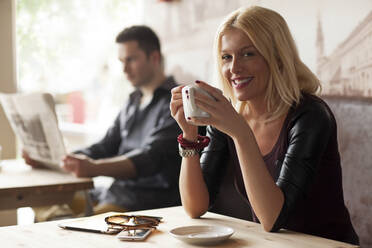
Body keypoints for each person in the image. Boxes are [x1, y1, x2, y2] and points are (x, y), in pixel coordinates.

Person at [170, 6, 359, 245]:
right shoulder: (229, 117)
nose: (234, 68)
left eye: (248, 54)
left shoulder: (311, 116)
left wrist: (240, 132)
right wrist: (189, 136)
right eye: (226, 57)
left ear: (278, 58)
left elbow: (272, 217)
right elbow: (195, 207)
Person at [24, 25, 182, 218]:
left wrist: (93, 168)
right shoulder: (133, 101)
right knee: (40, 198)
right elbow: (105, 146)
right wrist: (57, 158)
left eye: (130, 60)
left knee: (67, 223)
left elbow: (151, 158)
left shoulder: (176, 102)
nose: (124, 69)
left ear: (154, 58)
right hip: (113, 194)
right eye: (121, 61)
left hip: (146, 203)